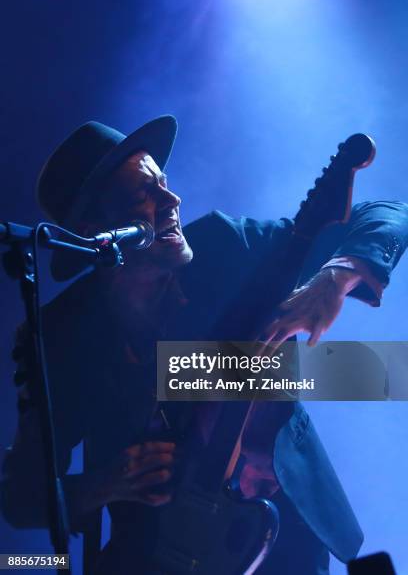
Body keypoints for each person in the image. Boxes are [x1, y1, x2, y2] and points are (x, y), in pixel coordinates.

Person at [1, 115, 407, 575]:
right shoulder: (62, 334)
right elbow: (20, 499)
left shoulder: (224, 245)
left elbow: (388, 213)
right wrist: (100, 486)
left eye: (166, 185)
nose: (171, 201)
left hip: (278, 535)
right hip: (159, 555)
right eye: (145, 194)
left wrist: (336, 276)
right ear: (97, 227)